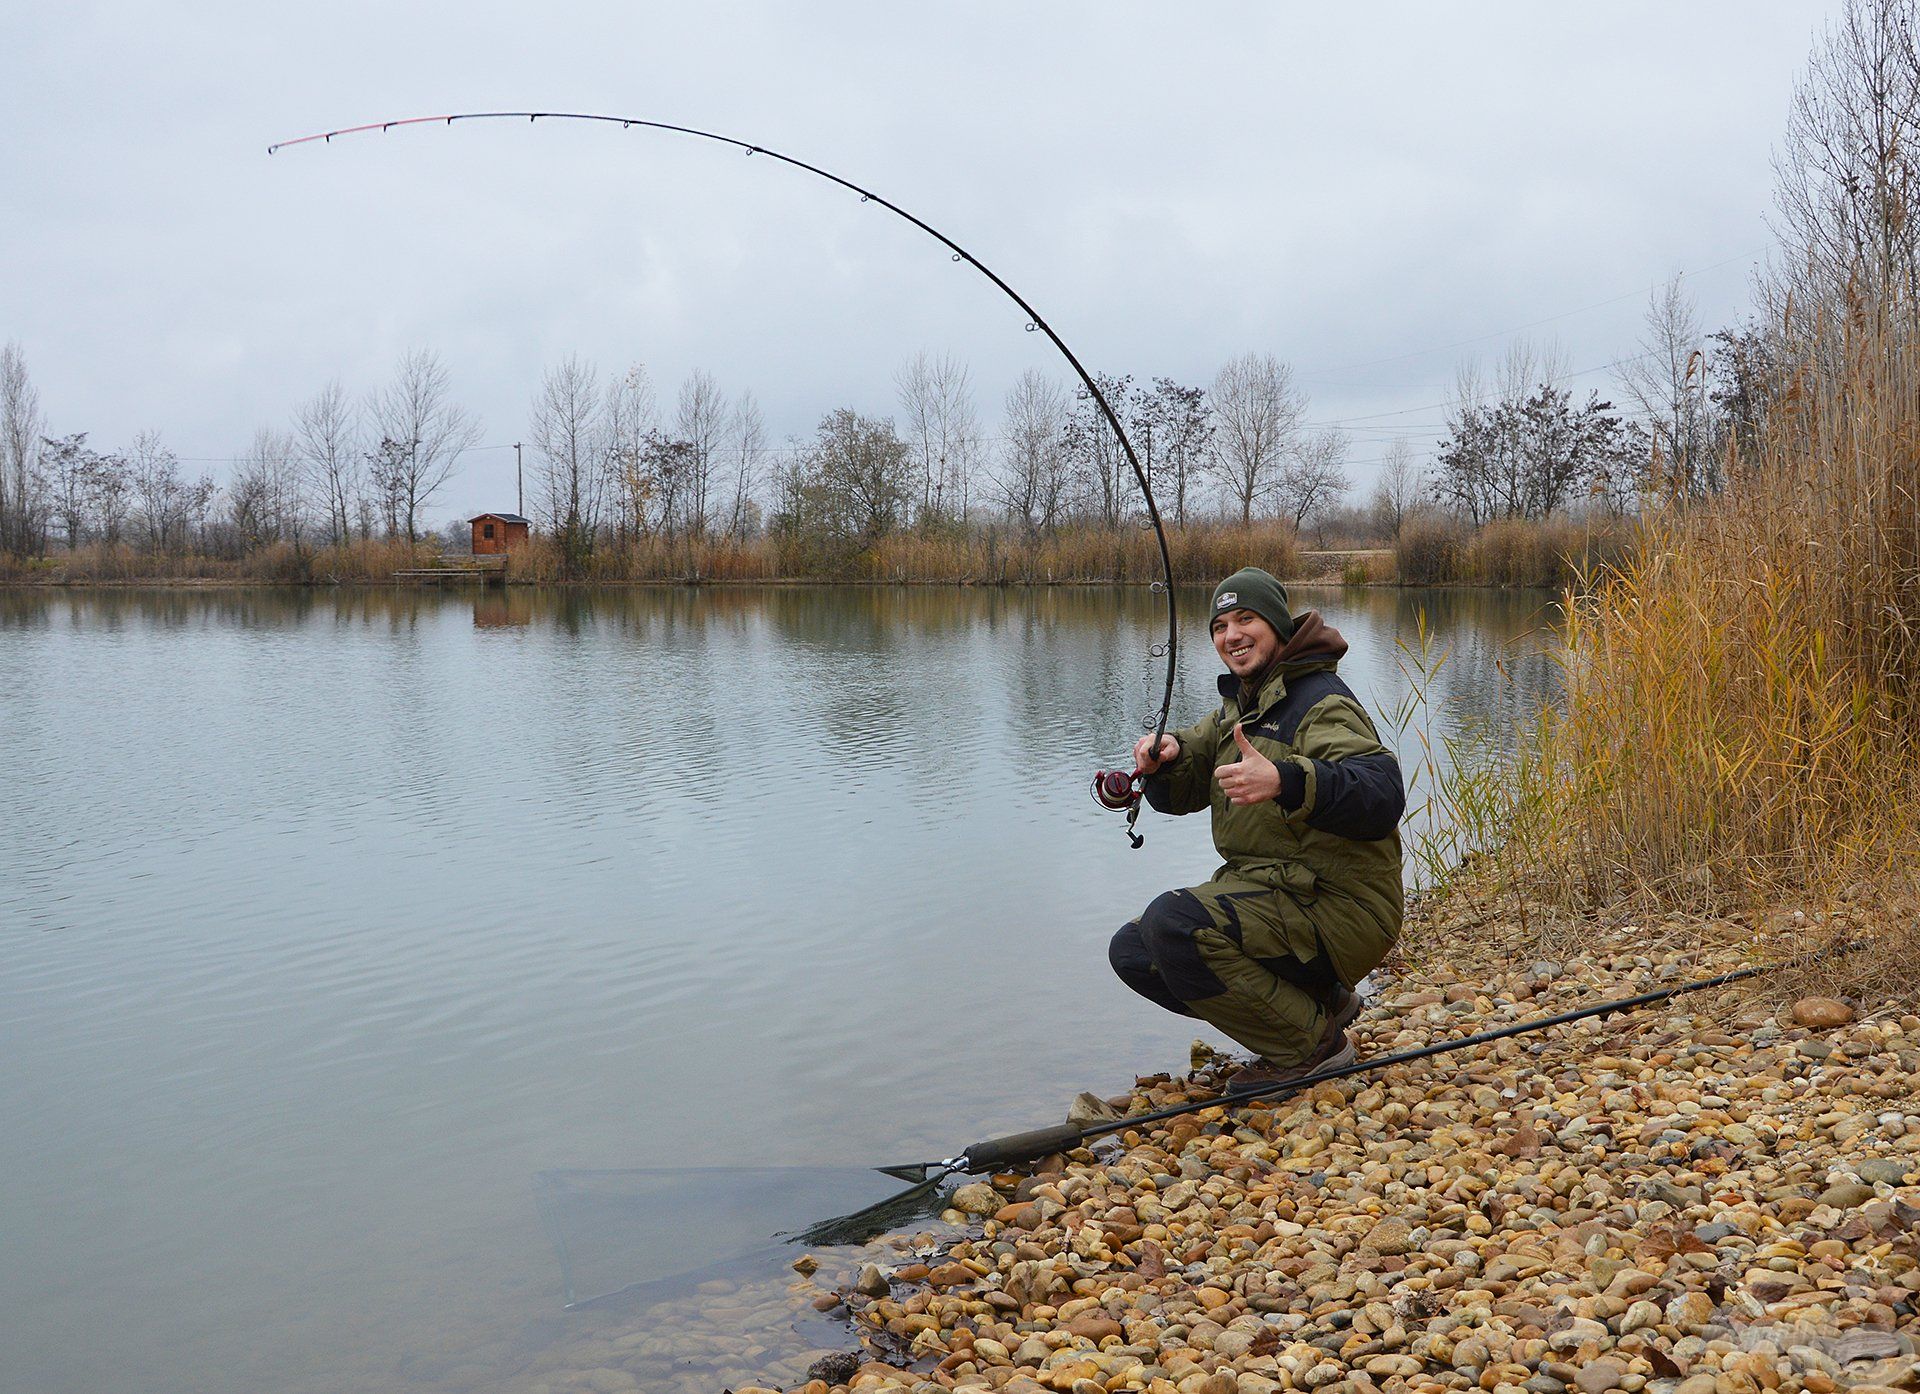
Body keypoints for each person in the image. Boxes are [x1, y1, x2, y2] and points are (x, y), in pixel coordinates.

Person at [1107, 567, 1405, 1094]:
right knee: (1134, 950)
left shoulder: (1320, 701)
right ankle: (1322, 1003)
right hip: (1281, 898)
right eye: (1220, 626)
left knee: (1174, 924)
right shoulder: (1242, 706)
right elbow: (1184, 784)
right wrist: (1165, 756)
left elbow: (1381, 793)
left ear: (1277, 625)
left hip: (1342, 907)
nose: (1232, 635)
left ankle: (1310, 1046)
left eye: (1246, 619)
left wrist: (1287, 780)